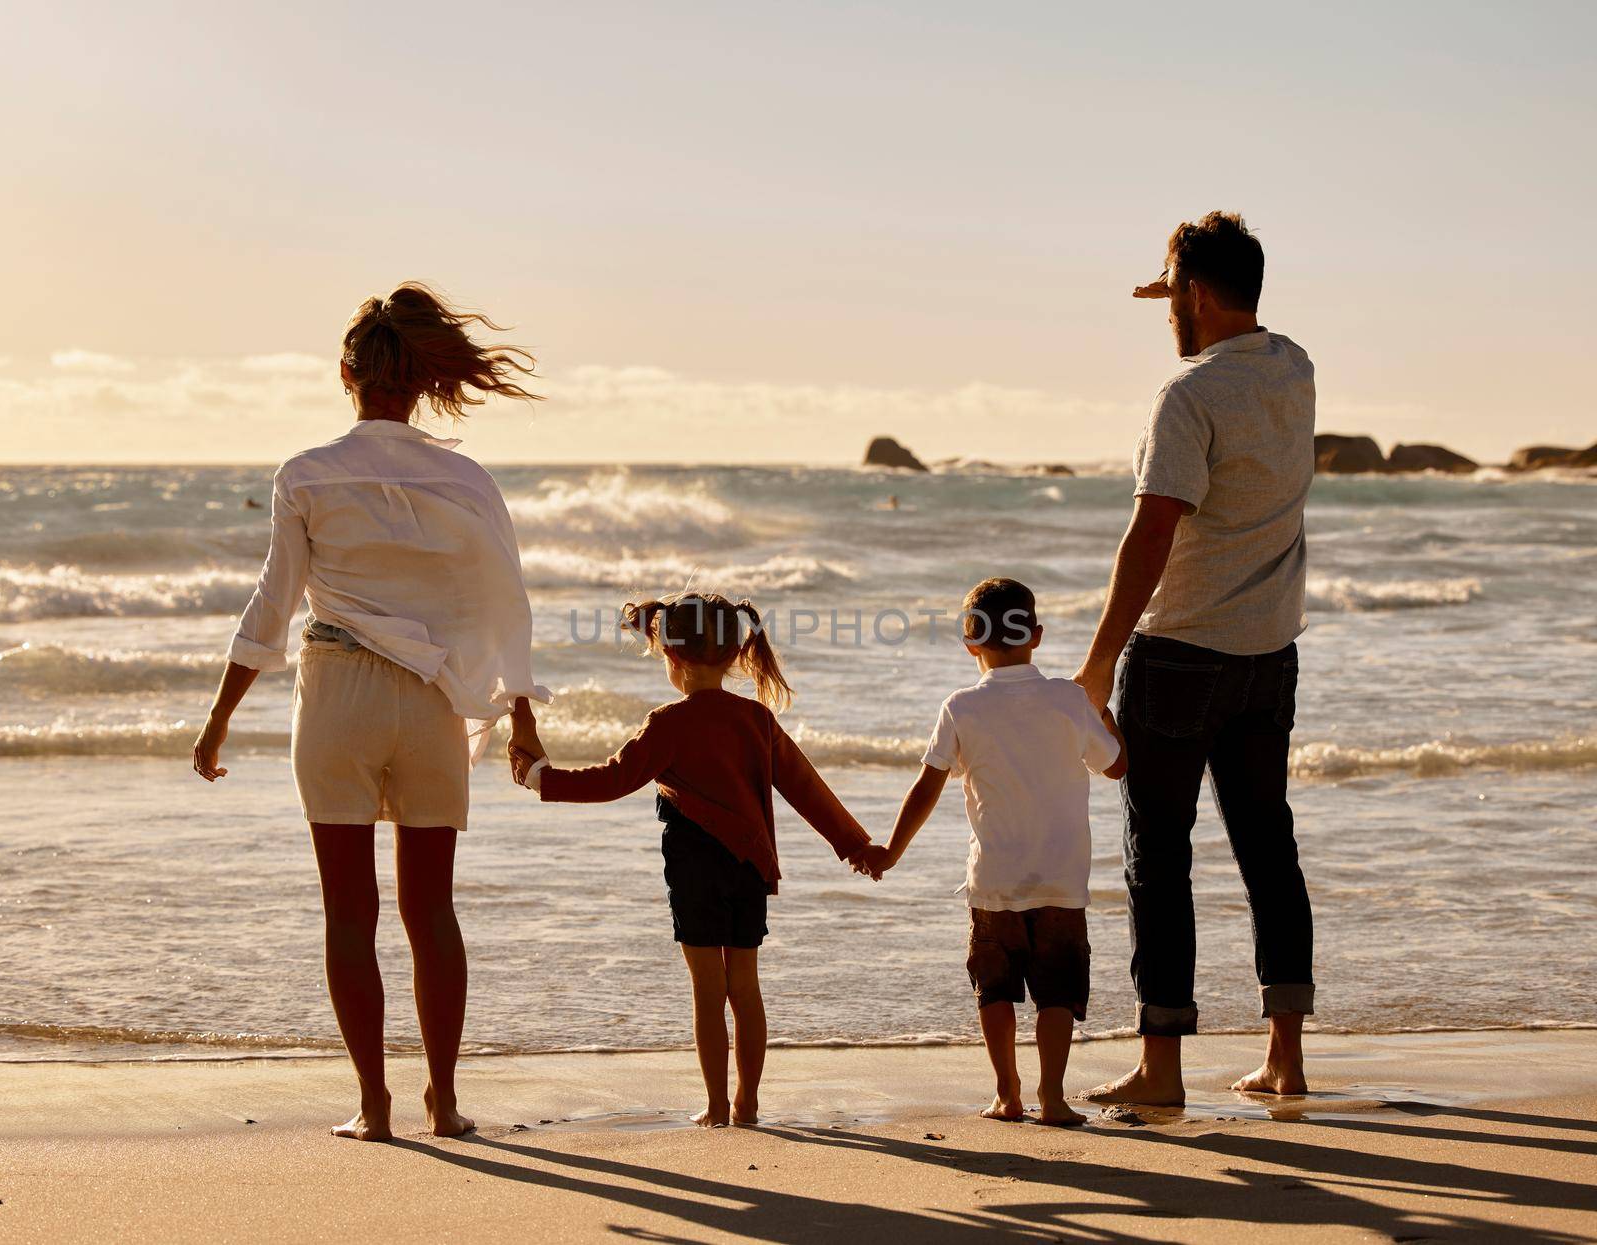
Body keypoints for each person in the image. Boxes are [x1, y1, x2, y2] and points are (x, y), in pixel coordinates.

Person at [191, 282, 552, 1141]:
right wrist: (521, 714)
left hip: (336, 698)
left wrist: (217, 720)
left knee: (348, 910)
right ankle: (446, 1101)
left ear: (346, 374)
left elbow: (270, 606)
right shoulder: (466, 479)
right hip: (430, 706)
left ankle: (373, 1105)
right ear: (425, 381)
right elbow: (507, 603)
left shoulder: (308, 473)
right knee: (433, 912)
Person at [1071, 212, 1317, 1106]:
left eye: (1174, 289)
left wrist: (1098, 664)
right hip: (1268, 655)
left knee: (1157, 856)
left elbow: (1152, 530)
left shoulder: (1188, 397)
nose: (1166, 305)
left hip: (1179, 657)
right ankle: (1285, 1057)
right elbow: (1233, 328)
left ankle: (1160, 1066)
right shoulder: (1294, 367)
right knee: (1267, 845)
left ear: (1200, 295)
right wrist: (1179, 288)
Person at [511, 591, 876, 1128]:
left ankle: (713, 1106)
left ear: (672, 658)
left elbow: (612, 780)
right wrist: (855, 845)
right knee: (745, 987)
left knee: (708, 990)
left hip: (694, 869)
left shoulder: (668, 723)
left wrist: (539, 777)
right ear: (733, 656)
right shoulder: (756, 719)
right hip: (750, 868)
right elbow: (806, 787)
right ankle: (747, 1103)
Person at [859, 578, 1125, 1126]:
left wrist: (891, 850)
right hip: (1061, 878)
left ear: (970, 642)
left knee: (995, 988)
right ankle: (1052, 1097)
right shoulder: (1068, 699)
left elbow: (927, 787)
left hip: (993, 879)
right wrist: (1099, 705)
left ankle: (1007, 1094)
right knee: (1057, 991)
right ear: (1038, 636)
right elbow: (1117, 765)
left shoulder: (961, 707)